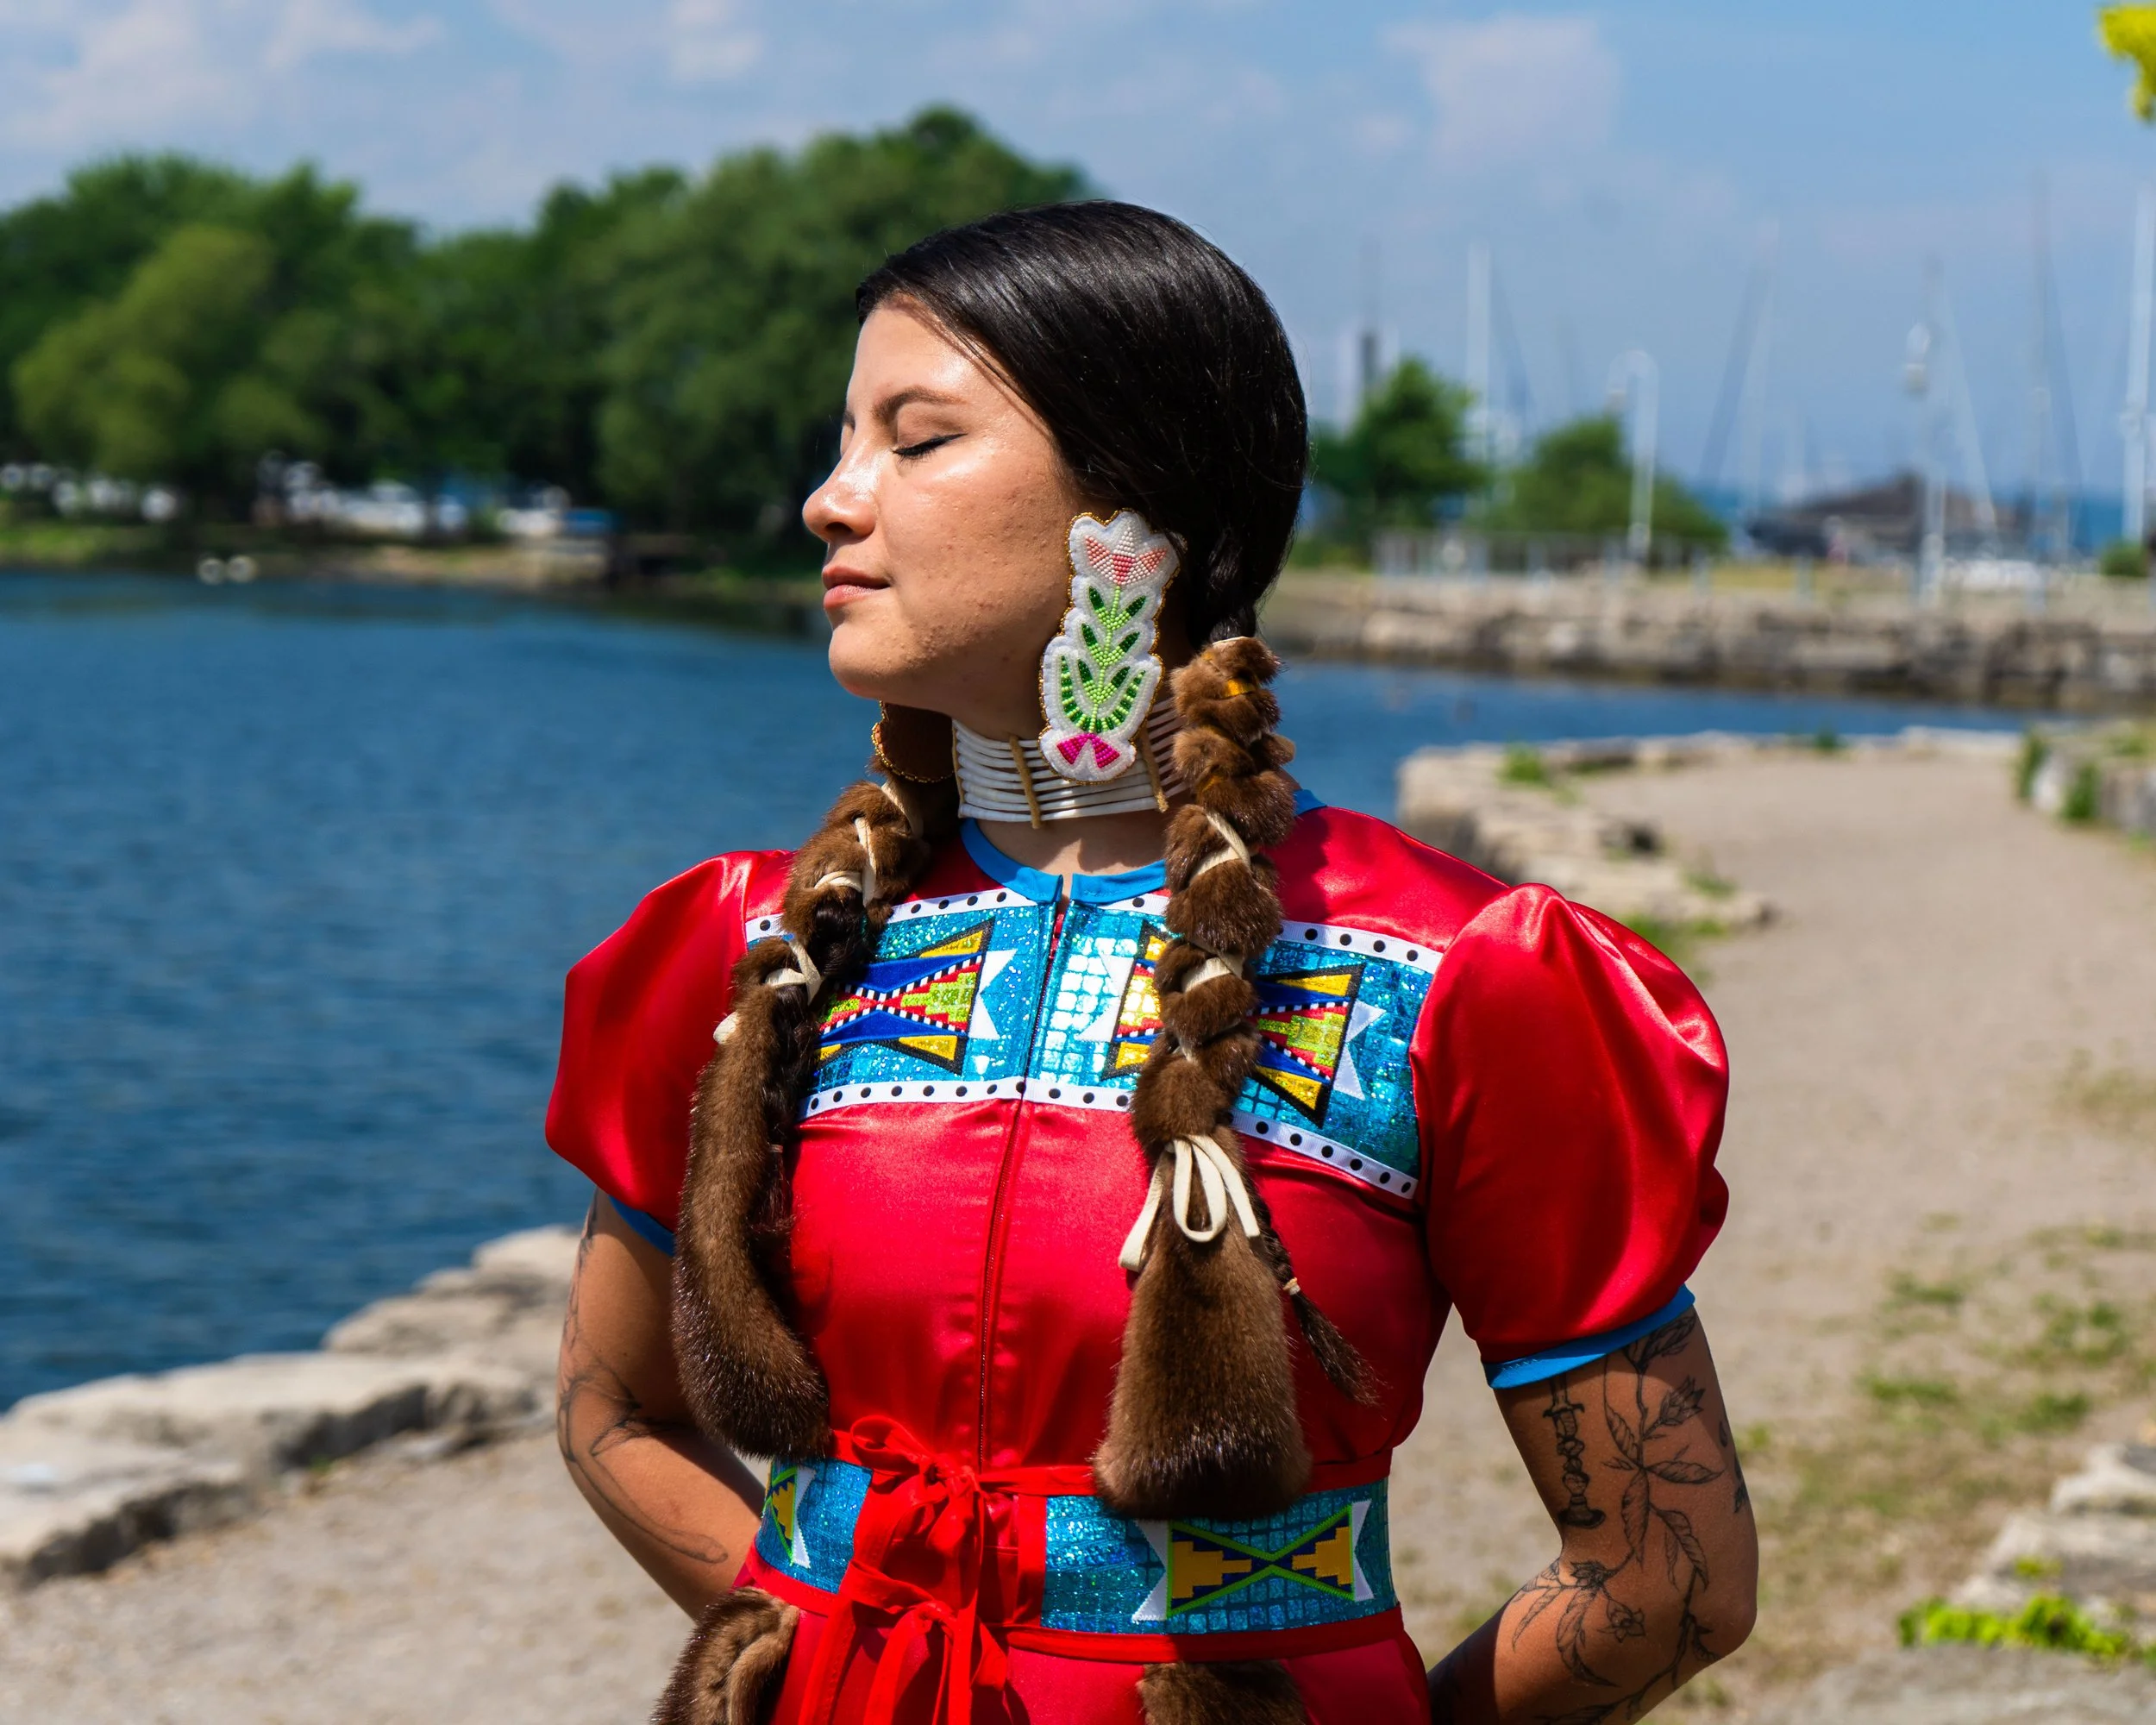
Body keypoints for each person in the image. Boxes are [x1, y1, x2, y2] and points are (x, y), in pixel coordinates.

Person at [546, 201, 1757, 1725]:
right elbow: (616, 1408)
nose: (826, 501)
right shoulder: (738, 956)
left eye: (913, 442)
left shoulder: (1464, 981)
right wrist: (815, 1636)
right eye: (843, 439)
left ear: (1129, 522)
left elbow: (1671, 1575)